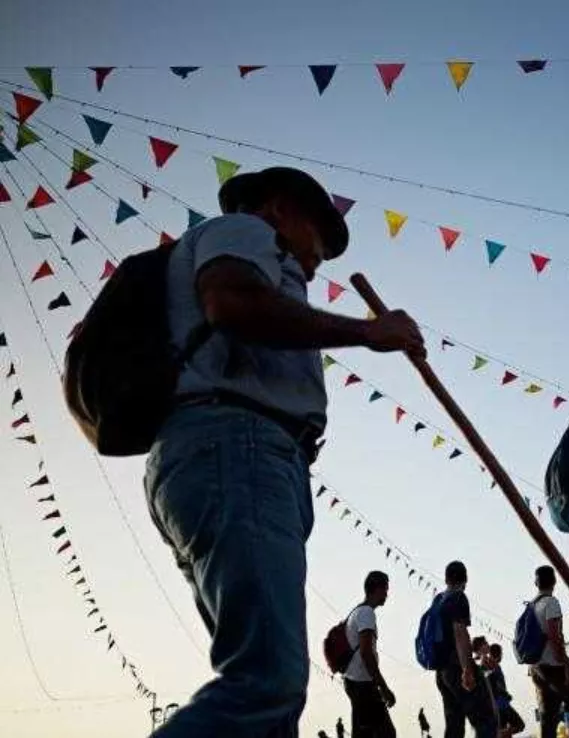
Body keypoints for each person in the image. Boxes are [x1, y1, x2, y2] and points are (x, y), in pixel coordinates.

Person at [143, 166, 425, 737]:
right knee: (267, 681)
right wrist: (368, 333)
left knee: (270, 702)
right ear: (279, 209)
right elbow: (231, 301)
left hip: (237, 455)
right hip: (238, 446)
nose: (319, 259)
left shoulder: (246, 248)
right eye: (319, 236)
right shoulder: (247, 232)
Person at [434, 561, 499, 738]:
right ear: (465, 580)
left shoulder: (439, 600)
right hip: (457, 668)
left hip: (442, 672)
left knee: (454, 726)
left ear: (446, 579)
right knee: (485, 719)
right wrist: (467, 670)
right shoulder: (458, 597)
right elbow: (459, 633)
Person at [528, 566, 569, 738]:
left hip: (537, 668)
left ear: (536, 583)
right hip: (554, 666)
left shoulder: (531, 606)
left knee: (549, 718)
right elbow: (555, 637)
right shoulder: (551, 603)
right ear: (554, 581)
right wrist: (567, 665)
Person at [343, 571, 397, 738]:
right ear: (377, 589)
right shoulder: (366, 613)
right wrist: (383, 687)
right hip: (363, 684)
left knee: (364, 733)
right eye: (385, 589)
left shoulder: (357, 612)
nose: (387, 594)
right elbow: (366, 653)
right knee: (387, 734)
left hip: (354, 682)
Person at [486, 644, 527, 738]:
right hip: (501, 705)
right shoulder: (492, 668)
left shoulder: (494, 667)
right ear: (498, 654)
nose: (502, 655)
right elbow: (495, 686)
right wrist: (506, 694)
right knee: (519, 725)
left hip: (501, 704)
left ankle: (500, 734)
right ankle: (498, 734)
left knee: (508, 728)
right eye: (501, 653)